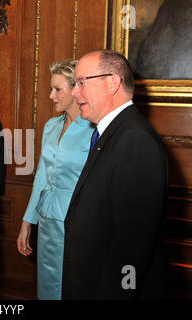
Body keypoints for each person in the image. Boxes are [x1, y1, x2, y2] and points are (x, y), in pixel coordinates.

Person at [62, 49, 168, 299]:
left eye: (81, 83)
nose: (74, 92)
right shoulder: (110, 134)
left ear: (112, 83)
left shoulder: (135, 140)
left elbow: (131, 248)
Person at [16, 60, 94, 300]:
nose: (51, 95)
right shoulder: (51, 126)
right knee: (48, 284)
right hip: (47, 220)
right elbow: (41, 176)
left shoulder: (94, 129)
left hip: (77, 221)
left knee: (74, 284)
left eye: (57, 89)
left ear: (76, 90)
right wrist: (27, 222)